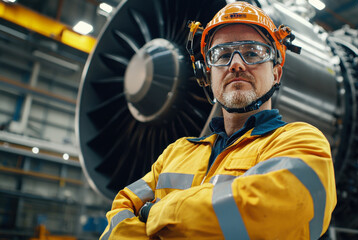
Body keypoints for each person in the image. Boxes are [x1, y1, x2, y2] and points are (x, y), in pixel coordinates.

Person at [100, 2, 336, 239]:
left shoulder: (302, 141)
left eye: (252, 53)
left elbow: (273, 214)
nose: (236, 64)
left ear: (276, 73)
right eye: (221, 55)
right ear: (207, 74)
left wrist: (157, 213)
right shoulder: (175, 153)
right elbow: (119, 217)